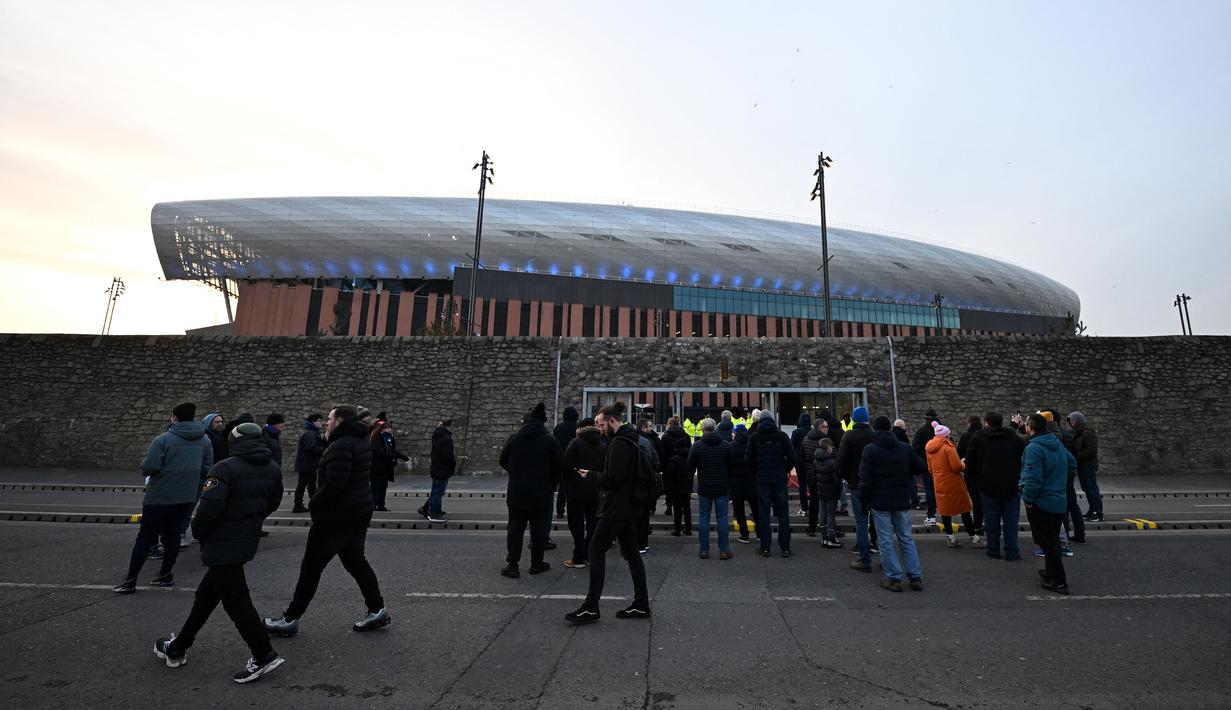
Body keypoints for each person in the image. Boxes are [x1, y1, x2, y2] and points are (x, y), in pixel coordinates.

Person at [153, 422, 285, 683]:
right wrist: (251, 522)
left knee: (237, 601)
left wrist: (201, 534)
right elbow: (274, 501)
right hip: (245, 540)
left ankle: (263, 654)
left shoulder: (224, 468)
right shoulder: (272, 468)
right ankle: (178, 646)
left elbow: (207, 510)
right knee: (206, 596)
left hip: (221, 542)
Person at [263, 405, 390, 636]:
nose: (327, 423)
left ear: (340, 420)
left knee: (311, 567)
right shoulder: (360, 440)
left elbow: (335, 483)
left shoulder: (342, 445)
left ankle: (290, 619)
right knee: (355, 561)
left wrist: (314, 503)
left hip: (337, 515)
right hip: (358, 510)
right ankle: (377, 609)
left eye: (330, 419)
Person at [114, 402, 213, 593]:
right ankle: (165, 574)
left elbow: (150, 467)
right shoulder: (204, 440)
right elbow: (207, 468)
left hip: (160, 495)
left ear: (174, 417)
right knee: (173, 535)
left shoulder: (163, 440)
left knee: (146, 536)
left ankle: (131, 580)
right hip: (186, 496)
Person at [565, 401, 651, 624]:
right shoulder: (630, 439)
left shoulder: (619, 443)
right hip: (628, 507)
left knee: (595, 550)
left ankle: (591, 606)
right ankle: (641, 603)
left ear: (612, 421)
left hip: (616, 507)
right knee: (631, 554)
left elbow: (614, 478)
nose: (600, 429)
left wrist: (591, 475)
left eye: (601, 425)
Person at [859, 415, 927, 592]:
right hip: (901, 498)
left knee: (886, 540)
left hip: (880, 500)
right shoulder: (904, 448)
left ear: (874, 429)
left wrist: (864, 501)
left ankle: (894, 577)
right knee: (906, 538)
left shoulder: (870, 450)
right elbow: (920, 466)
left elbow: (865, 480)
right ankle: (915, 576)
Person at [499, 403, 564, 578]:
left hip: (517, 491)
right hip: (541, 492)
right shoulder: (550, 441)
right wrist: (551, 483)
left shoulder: (514, 439)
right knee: (538, 530)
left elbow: (503, 461)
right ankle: (537, 563)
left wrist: (515, 473)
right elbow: (559, 465)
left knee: (515, 528)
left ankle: (513, 564)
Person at [1020, 412, 1076, 594]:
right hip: (1057, 499)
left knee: (1048, 543)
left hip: (1041, 502)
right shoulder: (1056, 443)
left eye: (1026, 424)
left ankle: (1059, 581)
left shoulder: (1034, 448)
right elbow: (1072, 464)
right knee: (1050, 540)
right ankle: (1050, 572)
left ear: (1030, 427)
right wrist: (1059, 482)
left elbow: (1032, 477)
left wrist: (1028, 499)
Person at [965, 411, 1026, 560]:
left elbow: (970, 461)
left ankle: (993, 548)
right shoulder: (1013, 437)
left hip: (987, 484)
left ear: (986, 422)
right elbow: (1023, 458)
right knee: (1011, 520)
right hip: (1011, 484)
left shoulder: (978, 438)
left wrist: (973, 480)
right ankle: (1012, 550)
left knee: (991, 519)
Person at [925, 421, 983, 548]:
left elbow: (930, 468)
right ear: (946, 435)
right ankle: (974, 537)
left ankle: (951, 538)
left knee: (945, 511)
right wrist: (963, 462)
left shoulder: (929, 448)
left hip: (939, 482)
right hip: (953, 482)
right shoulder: (948, 447)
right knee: (964, 509)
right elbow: (957, 467)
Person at [746, 412, 795, 558]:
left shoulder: (754, 437)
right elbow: (792, 457)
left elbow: (748, 459)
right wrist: (784, 469)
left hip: (762, 478)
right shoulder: (781, 436)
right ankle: (785, 547)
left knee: (763, 513)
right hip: (779, 477)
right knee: (783, 513)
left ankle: (765, 547)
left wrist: (757, 471)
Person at [837, 406, 878, 571]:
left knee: (861, 521)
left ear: (854, 419)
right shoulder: (874, 435)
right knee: (879, 520)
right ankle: (884, 557)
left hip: (856, 482)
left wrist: (846, 477)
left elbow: (842, 460)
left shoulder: (849, 436)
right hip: (874, 483)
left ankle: (864, 558)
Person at [688, 417, 734, 560]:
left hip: (704, 486)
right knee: (722, 518)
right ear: (715, 428)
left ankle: (704, 549)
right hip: (722, 486)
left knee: (704, 517)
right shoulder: (726, 445)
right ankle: (724, 550)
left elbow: (690, 465)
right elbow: (732, 465)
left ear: (702, 429)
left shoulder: (697, 446)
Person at [562, 417, 604, 569]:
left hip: (576, 490)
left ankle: (579, 557)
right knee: (593, 524)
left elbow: (565, 465)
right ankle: (589, 554)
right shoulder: (602, 445)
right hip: (595, 489)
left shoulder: (575, 443)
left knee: (576, 524)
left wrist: (567, 481)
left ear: (579, 430)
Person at [635, 418, 663, 555]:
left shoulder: (633, 441)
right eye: (649, 426)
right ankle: (643, 543)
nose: (651, 429)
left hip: (636, 483)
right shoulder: (649, 441)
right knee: (644, 515)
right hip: (648, 483)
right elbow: (657, 461)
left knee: (636, 515)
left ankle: (636, 543)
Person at [1069, 411, 1103, 522]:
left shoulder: (1087, 432)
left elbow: (1092, 450)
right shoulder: (1078, 432)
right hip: (1082, 464)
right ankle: (1092, 509)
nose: (1071, 422)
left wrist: (1077, 457)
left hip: (1087, 464)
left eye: (1072, 420)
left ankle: (1097, 512)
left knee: (1091, 488)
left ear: (1078, 421)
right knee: (1087, 488)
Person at [421, 418, 456, 523]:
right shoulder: (447, 438)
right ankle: (435, 513)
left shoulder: (437, 436)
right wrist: (453, 463)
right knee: (438, 492)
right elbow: (447, 455)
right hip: (443, 469)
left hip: (436, 467)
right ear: (450, 425)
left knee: (435, 491)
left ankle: (434, 510)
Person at [368, 420, 407, 512]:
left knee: (383, 486)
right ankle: (374, 504)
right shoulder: (377, 438)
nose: (389, 430)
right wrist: (393, 456)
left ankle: (381, 505)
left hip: (386, 467)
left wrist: (400, 456)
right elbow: (380, 452)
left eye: (390, 428)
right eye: (387, 428)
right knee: (376, 486)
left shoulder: (390, 438)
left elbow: (392, 450)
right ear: (381, 429)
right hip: (377, 466)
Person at [728, 423, 756, 544]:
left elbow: (728, 464)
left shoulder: (731, 446)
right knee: (756, 509)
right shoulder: (751, 444)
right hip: (751, 482)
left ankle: (744, 534)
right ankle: (760, 533)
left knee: (739, 510)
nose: (731, 434)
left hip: (736, 482)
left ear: (736, 433)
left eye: (733, 432)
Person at [956, 415, 985, 534]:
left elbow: (959, 452)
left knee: (975, 499)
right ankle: (982, 524)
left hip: (971, 472)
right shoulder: (985, 435)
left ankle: (977, 525)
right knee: (985, 499)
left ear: (969, 424)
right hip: (985, 471)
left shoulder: (966, 436)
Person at [812, 437, 842, 548]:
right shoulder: (832, 462)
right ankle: (832, 538)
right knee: (831, 515)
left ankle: (824, 538)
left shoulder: (816, 460)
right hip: (831, 491)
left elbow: (813, 477)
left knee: (823, 514)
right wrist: (839, 490)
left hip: (821, 490)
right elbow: (836, 480)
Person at [912, 409, 941, 523]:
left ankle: (931, 515)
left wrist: (921, 463)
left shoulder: (921, 431)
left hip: (927, 465)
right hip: (941, 466)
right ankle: (946, 515)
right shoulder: (942, 431)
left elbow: (915, 449)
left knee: (929, 490)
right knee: (942, 490)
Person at [799, 418, 827, 536]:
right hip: (823, 474)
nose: (827, 429)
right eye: (825, 426)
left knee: (813, 501)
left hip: (810, 474)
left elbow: (802, 457)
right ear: (820, 428)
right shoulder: (824, 441)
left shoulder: (805, 439)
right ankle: (828, 528)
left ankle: (811, 527)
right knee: (826, 502)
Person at [292, 414, 325, 513]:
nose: (321, 422)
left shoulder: (312, 432)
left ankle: (311, 504)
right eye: (319, 420)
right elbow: (310, 447)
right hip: (306, 464)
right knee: (304, 485)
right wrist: (323, 450)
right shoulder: (310, 433)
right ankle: (299, 506)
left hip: (308, 464)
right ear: (313, 422)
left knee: (310, 485)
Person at [553, 406, 581, 520]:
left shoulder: (558, 428)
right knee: (575, 487)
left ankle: (560, 510)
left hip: (561, 460)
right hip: (574, 461)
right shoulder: (577, 428)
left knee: (562, 487)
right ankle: (575, 511)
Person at [664, 438, 694, 536]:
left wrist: (669, 488)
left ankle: (677, 529)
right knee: (687, 508)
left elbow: (670, 475)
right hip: (687, 487)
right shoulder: (690, 458)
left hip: (676, 488)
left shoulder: (674, 460)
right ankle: (688, 529)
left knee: (677, 509)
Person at [791, 413, 812, 517]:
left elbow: (791, 446)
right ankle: (813, 507)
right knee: (812, 485)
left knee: (802, 486)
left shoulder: (796, 432)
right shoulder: (812, 431)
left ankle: (804, 508)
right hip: (811, 461)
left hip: (799, 461)